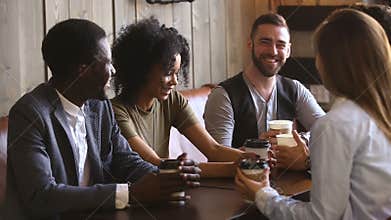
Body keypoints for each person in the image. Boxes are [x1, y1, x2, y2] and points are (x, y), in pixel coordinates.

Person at [4, 19, 200, 220]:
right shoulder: (29, 113)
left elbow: (125, 161)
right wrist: (131, 194)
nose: (114, 71)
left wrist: (168, 175)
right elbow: (41, 195)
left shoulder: (99, 106)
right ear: (83, 70)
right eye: (108, 63)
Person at [235, 9, 391, 219]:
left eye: (319, 54)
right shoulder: (378, 114)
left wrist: (262, 195)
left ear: (331, 62)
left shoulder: (334, 124)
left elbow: (321, 217)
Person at [111, 17, 244, 176]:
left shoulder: (172, 100)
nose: (175, 81)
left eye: (177, 73)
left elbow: (213, 149)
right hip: (137, 194)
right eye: (168, 73)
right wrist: (233, 168)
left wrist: (253, 160)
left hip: (167, 190)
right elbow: (156, 164)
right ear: (142, 70)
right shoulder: (116, 112)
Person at [203, 13, 325, 171]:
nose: (273, 51)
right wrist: (256, 147)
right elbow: (218, 157)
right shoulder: (223, 96)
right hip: (238, 187)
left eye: (280, 45)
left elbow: (327, 132)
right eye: (265, 42)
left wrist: (301, 139)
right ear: (250, 44)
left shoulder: (295, 89)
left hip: (287, 185)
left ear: (288, 51)